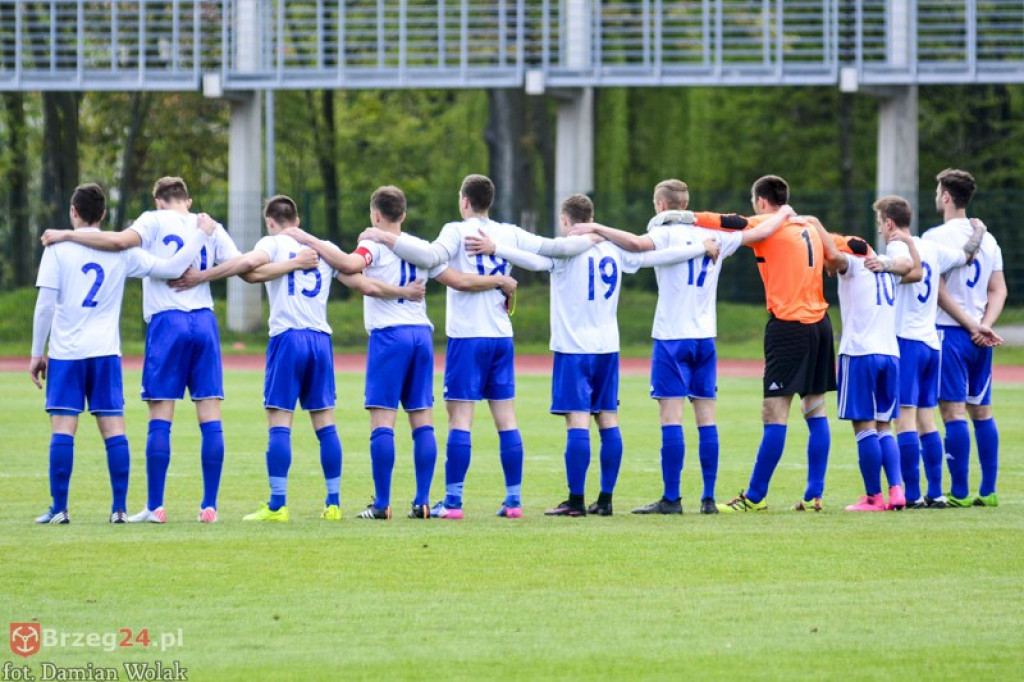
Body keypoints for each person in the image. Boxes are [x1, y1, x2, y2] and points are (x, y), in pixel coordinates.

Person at [466, 193, 724, 516]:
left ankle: (575, 501)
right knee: (608, 419)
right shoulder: (615, 249)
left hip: (574, 348)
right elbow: (658, 257)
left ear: (565, 220)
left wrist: (496, 249)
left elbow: (533, 258)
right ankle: (605, 500)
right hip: (608, 347)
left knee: (577, 421)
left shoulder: (566, 251)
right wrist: (700, 248)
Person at [357, 174, 594, 519]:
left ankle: (452, 502)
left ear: (464, 201)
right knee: (507, 418)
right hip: (501, 335)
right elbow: (552, 247)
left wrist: (382, 236)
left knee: (460, 418)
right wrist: (594, 232)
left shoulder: (456, 230)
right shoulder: (509, 232)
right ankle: (513, 501)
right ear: (490, 201)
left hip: (468, 336)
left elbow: (429, 255)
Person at [169, 195, 419, 521]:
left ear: (270, 222)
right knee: (326, 424)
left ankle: (278, 505)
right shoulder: (323, 249)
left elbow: (246, 265)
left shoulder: (272, 244)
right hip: (320, 339)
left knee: (279, 422)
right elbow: (364, 285)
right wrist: (403, 292)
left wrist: (202, 276)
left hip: (287, 338)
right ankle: (332, 504)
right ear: (298, 221)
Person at [284, 186, 517, 520]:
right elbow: (457, 278)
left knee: (383, 421)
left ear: (375, 215)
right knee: (421, 420)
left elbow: (349, 264)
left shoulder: (373, 244)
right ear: (403, 216)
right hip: (421, 335)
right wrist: (499, 280)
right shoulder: (420, 248)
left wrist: (311, 241)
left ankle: (381, 504)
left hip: (389, 337)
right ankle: (422, 501)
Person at [567, 181, 795, 515]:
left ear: (661, 204)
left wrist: (597, 228)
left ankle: (672, 498)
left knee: (671, 417)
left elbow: (633, 244)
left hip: (672, 337)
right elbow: (760, 233)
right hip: (705, 337)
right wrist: (786, 212)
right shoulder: (714, 236)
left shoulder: (664, 234)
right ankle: (707, 498)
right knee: (706, 417)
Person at [41, 177, 244, 524]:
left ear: (158, 200)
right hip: (205, 322)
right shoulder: (209, 225)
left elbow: (120, 241)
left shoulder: (152, 219)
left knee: (160, 418)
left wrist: (65, 234)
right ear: (188, 200)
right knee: (210, 416)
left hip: (168, 323)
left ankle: (155, 506)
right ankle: (209, 505)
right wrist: (202, 277)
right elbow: (243, 265)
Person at [687, 176, 848, 512]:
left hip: (789, 327)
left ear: (761, 201)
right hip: (821, 325)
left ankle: (755, 497)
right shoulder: (808, 225)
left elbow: (729, 222)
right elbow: (839, 254)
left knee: (774, 413)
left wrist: (685, 215)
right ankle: (813, 493)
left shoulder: (768, 224)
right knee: (815, 409)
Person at [866, 196, 985, 509]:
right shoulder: (933, 247)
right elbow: (967, 255)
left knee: (903, 422)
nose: (880, 229)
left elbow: (907, 269)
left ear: (889, 223)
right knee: (927, 421)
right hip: (933, 343)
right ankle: (937, 492)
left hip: (906, 342)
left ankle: (914, 494)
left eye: (880, 222)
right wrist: (979, 230)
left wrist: (886, 264)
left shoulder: (897, 246)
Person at [810, 215, 921, 510]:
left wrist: (813, 223)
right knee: (885, 426)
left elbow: (834, 255)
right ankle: (897, 491)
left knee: (864, 427)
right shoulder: (886, 268)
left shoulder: (856, 263)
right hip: (890, 353)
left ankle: (873, 497)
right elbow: (913, 269)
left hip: (860, 353)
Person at [922, 169, 1006, 508]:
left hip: (950, 333)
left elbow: (938, 292)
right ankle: (988, 491)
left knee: (953, 413)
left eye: (937, 189)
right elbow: (998, 289)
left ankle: (958, 492)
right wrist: (984, 324)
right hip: (980, 339)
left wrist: (971, 324)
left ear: (945, 196)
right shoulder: (988, 239)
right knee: (982, 412)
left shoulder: (934, 236)